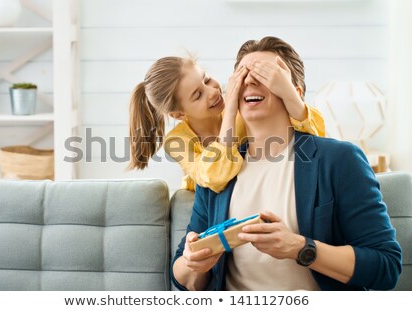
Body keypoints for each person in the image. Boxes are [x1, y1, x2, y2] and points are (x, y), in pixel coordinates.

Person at [171, 36, 402, 291]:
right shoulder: (217, 173)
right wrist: (195, 264)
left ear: (296, 93)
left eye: (267, 74)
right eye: (242, 75)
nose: (250, 80)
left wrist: (300, 247)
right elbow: (181, 274)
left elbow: (385, 267)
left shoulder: (339, 160)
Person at [128, 48, 325, 193]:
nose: (213, 91)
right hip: (211, 203)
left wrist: (289, 92)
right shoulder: (177, 141)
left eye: (206, 79)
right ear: (179, 114)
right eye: (198, 95)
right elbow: (216, 176)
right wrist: (230, 110)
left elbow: (314, 134)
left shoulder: (244, 106)